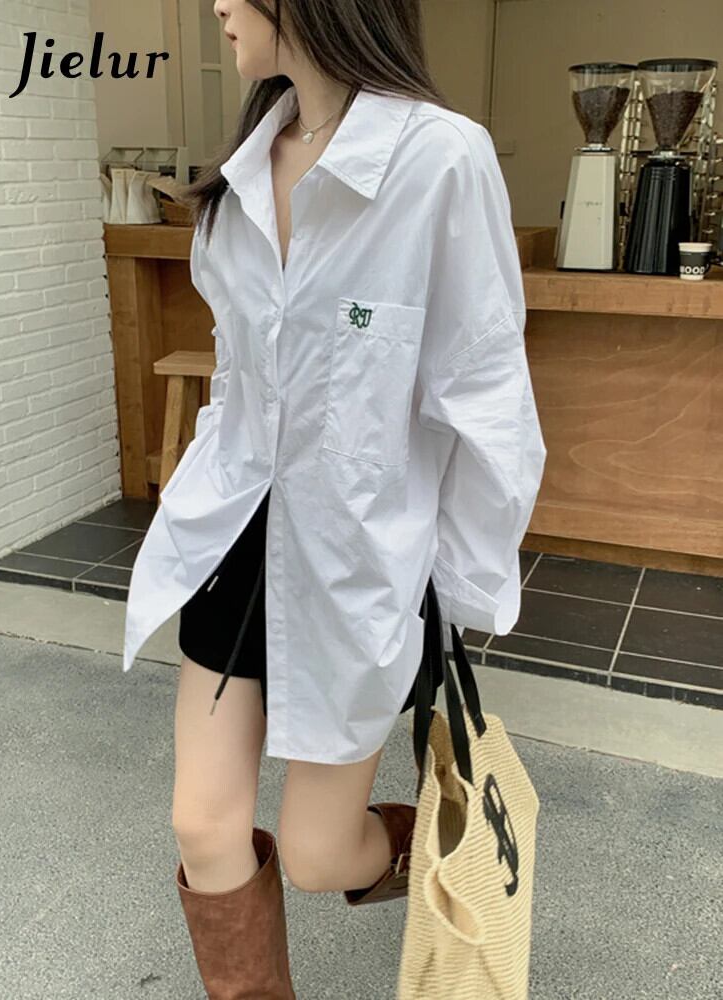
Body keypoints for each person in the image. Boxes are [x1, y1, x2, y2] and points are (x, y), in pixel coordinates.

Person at [121, 0, 547, 996]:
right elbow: (238, 380)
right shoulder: (239, 179)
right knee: (204, 824)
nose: (218, 6)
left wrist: (457, 597)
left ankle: (424, 850)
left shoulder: (440, 161)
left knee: (318, 854)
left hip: (359, 562)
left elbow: (487, 402)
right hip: (235, 542)